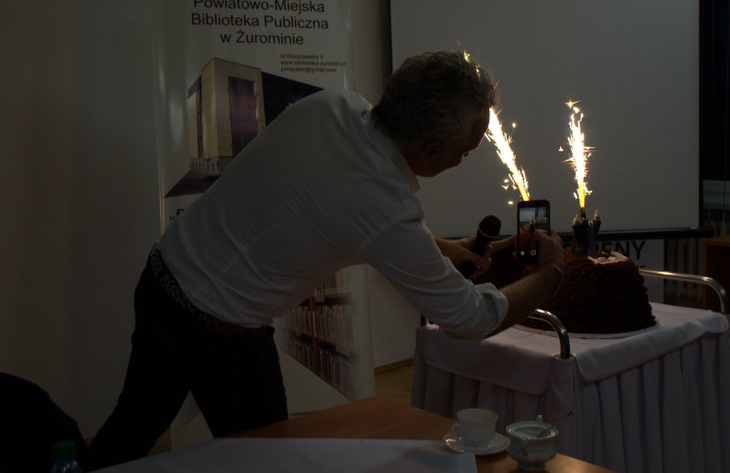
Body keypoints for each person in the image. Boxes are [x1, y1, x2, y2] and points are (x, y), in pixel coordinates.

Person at [86, 51, 564, 469]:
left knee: (129, 431)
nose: (464, 158)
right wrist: (551, 274)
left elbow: (340, 209)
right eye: (466, 152)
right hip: (217, 328)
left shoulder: (336, 104)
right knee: (265, 462)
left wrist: (443, 248)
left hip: (165, 274)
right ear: (433, 151)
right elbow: (469, 317)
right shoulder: (384, 204)